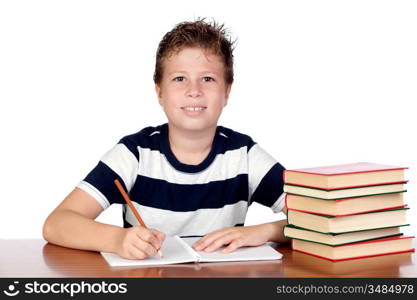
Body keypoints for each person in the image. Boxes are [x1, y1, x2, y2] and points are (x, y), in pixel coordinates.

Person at [43, 18, 289, 260]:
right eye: (179, 78)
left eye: (208, 79)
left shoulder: (245, 155)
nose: (194, 91)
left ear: (227, 92)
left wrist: (264, 231)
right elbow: (57, 224)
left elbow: (324, 222)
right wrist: (116, 240)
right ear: (159, 92)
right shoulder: (134, 153)